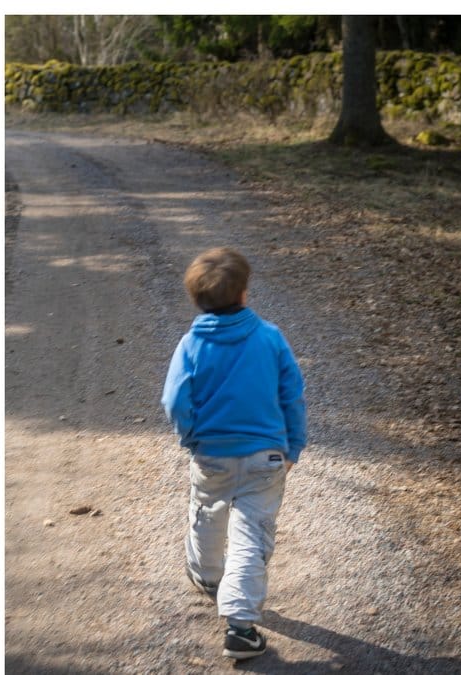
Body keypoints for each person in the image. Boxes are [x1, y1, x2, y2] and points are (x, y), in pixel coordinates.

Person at [163, 248, 307, 661]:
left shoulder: (191, 345)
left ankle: (208, 576)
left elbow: (175, 401)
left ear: (197, 300)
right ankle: (241, 627)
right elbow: (292, 396)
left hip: (212, 455)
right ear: (244, 293)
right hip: (266, 458)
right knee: (252, 533)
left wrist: (191, 437)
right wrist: (293, 446)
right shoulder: (270, 338)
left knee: (207, 511)